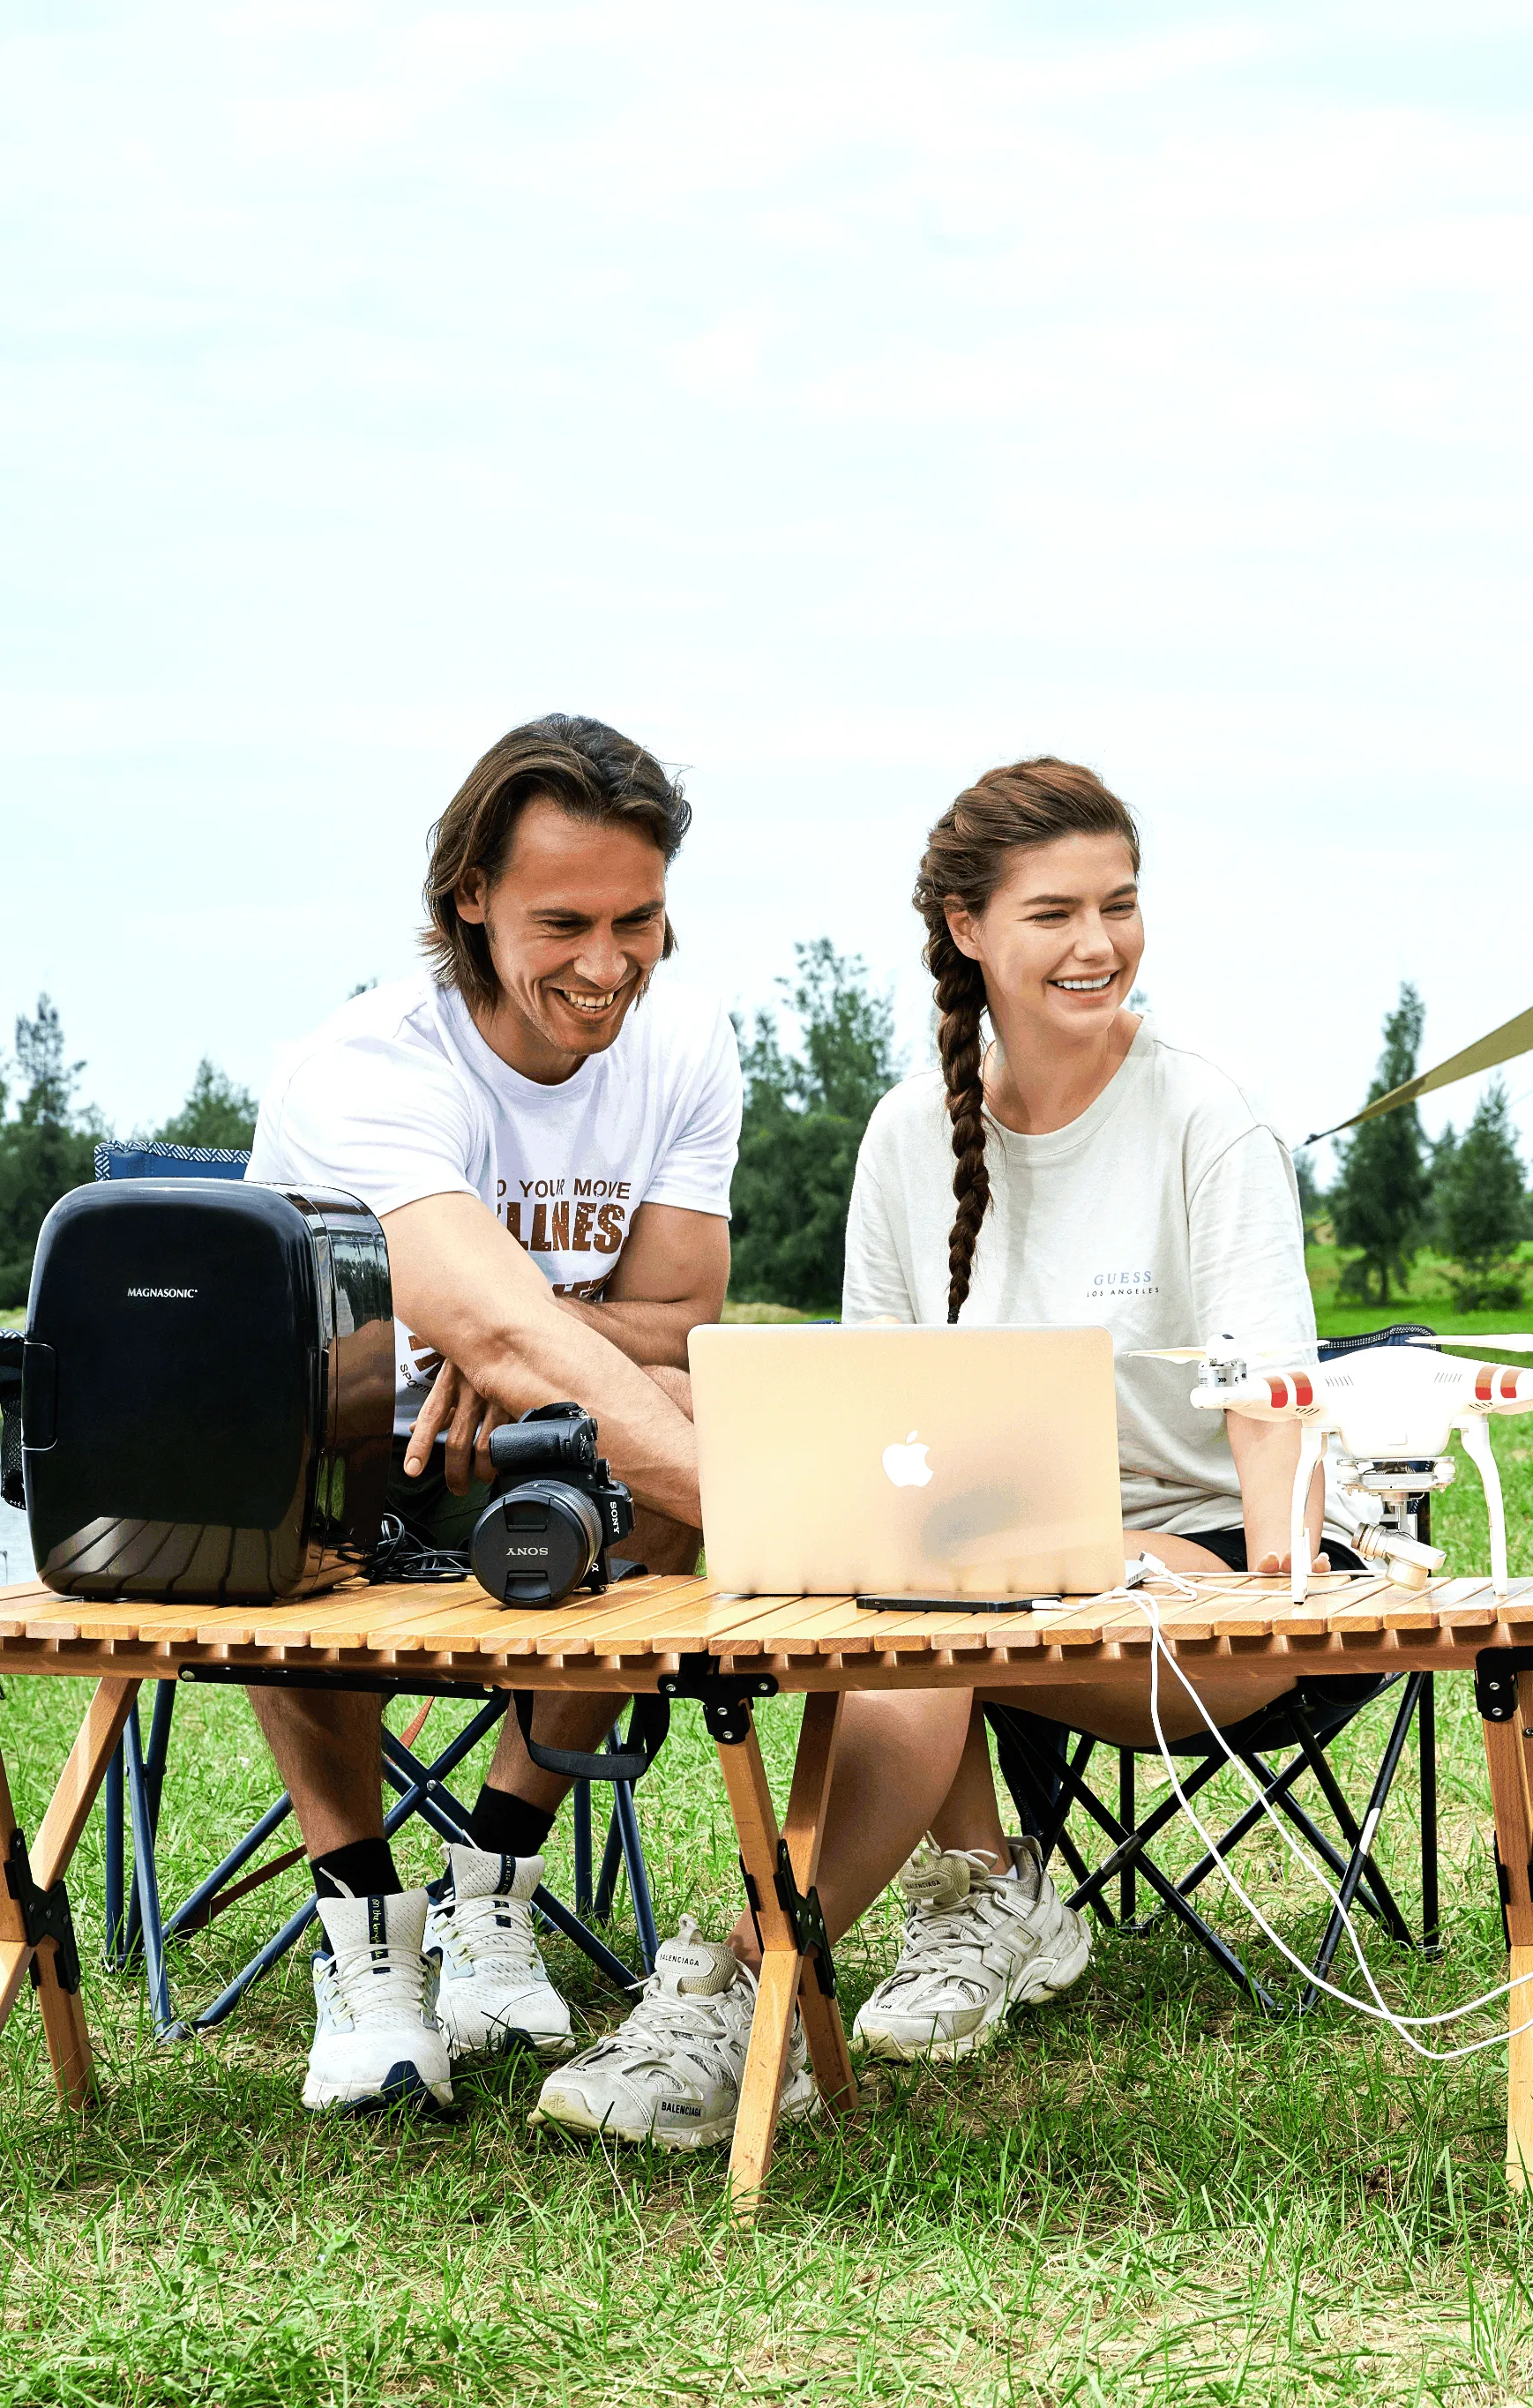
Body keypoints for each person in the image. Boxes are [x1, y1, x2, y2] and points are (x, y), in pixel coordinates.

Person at [537, 756, 1345, 2145]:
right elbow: (878, 1415)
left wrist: (1277, 1578)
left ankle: (753, 1989)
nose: (1098, 944)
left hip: (1208, 1593)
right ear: (970, 928)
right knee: (936, 1580)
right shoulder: (912, 1135)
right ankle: (968, 1898)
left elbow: (1277, 1409)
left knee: (952, 1591)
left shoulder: (1210, 1121)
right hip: (973, 1577)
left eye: (1120, 904)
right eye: (1054, 912)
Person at [243, 714, 737, 2119]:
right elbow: (500, 1321)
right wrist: (510, 1330)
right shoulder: (364, 1066)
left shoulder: (687, 1047)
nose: (606, 965)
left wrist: (516, 1335)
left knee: (674, 1413)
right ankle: (364, 1941)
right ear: (471, 897)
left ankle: (494, 1881)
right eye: (563, 922)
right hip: (341, 1455)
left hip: (540, 1451)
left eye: (638, 919)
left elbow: (680, 1316)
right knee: (277, 1472)